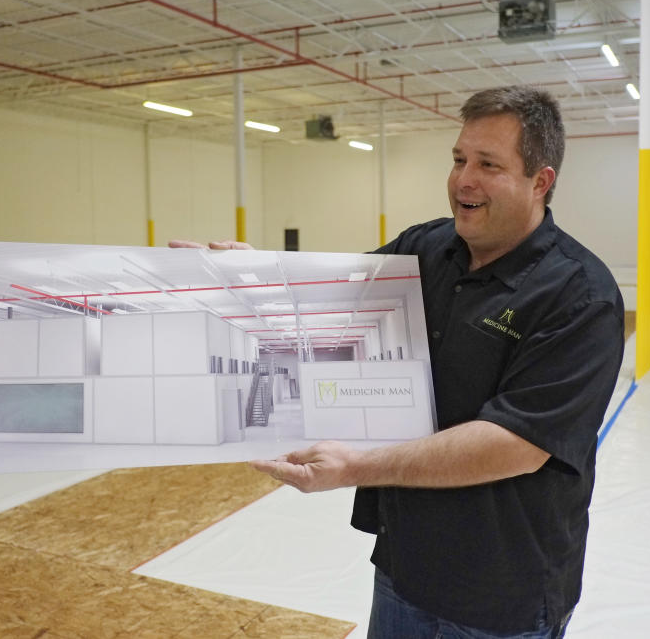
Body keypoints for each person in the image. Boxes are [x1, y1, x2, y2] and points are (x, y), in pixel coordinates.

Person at [174, 86, 624, 638]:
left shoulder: (580, 296)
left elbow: (516, 444)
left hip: (504, 590)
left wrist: (357, 467)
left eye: (488, 164)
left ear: (540, 181)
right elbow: (332, 298)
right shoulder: (428, 247)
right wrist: (256, 274)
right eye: (459, 159)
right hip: (405, 565)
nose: (464, 179)